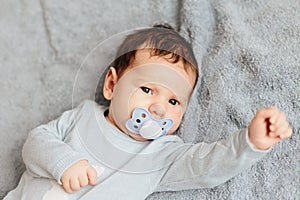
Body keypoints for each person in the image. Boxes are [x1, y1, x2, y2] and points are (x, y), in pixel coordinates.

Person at [4, 25, 292, 200]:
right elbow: (36, 142)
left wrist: (251, 142)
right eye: (147, 90)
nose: (158, 107)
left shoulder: (163, 155)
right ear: (112, 85)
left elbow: (208, 165)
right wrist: (64, 163)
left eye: (174, 101)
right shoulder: (83, 116)